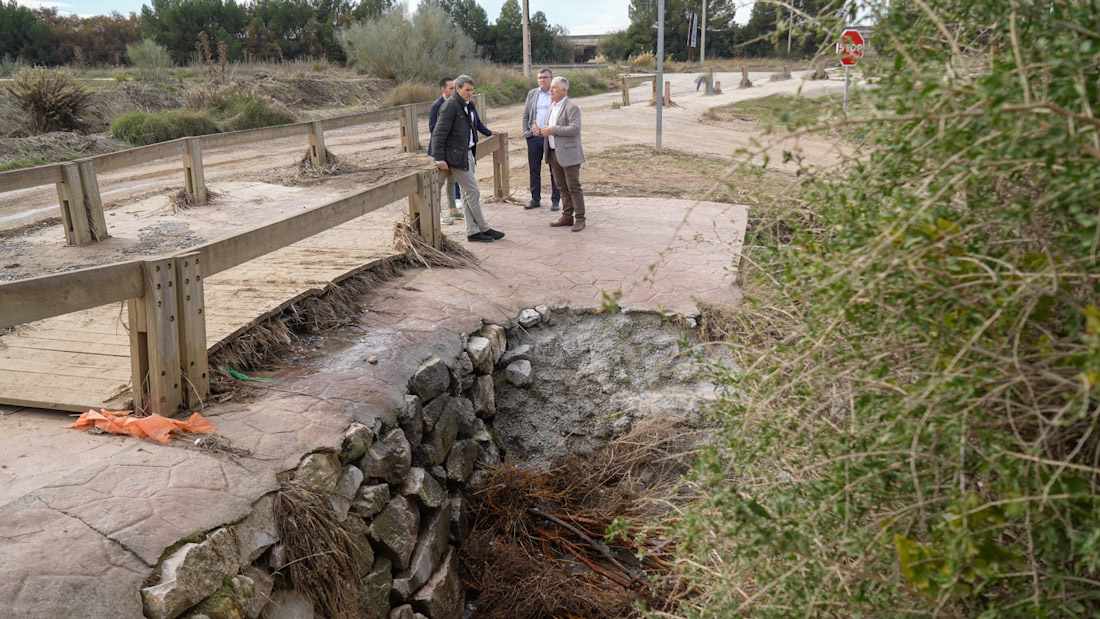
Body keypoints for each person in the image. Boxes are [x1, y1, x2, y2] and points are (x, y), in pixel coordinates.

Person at [431, 75, 505, 243]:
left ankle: (472, 232)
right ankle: (484, 228)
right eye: (467, 90)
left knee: (466, 194)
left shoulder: (468, 104)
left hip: (469, 152)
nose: (470, 93)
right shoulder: (450, 106)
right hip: (456, 156)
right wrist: (439, 157)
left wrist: (487, 132)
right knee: (473, 191)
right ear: (458, 89)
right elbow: (438, 133)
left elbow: (475, 123)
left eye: (472, 90)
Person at [533, 76, 586, 232]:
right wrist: (540, 131)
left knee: (573, 187)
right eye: (551, 87)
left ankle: (580, 219)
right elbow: (551, 130)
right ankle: (567, 216)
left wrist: (552, 130)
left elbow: (575, 129)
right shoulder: (552, 107)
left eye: (554, 88)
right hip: (554, 152)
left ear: (564, 90)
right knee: (561, 186)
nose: (551, 90)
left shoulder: (572, 107)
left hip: (569, 155)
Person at [520, 68, 561, 211]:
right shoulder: (532, 94)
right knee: (534, 169)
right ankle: (535, 199)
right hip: (534, 138)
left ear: (551, 79)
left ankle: (556, 200)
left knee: (554, 169)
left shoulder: (556, 93)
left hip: (551, 137)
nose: (542, 80)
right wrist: (527, 132)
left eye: (545, 77)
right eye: (539, 78)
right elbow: (526, 114)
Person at [428, 77, 463, 225]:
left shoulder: (456, 103)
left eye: (455, 87)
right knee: (439, 182)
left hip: (453, 150)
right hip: (441, 151)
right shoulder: (436, 106)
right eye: (451, 88)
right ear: (443, 90)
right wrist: (439, 154)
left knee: (451, 180)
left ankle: (453, 210)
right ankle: (438, 213)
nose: (454, 90)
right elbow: (433, 129)